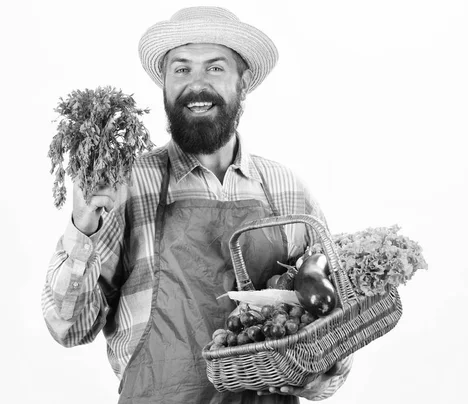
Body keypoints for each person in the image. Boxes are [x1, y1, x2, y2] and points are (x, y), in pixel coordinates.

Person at [41, 6, 352, 404]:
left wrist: (317, 376)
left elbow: (336, 327)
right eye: (181, 69)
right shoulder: (128, 185)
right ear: (166, 84)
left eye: (215, 68)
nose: (197, 84)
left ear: (245, 82)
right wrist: (83, 226)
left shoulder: (287, 190)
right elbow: (67, 327)